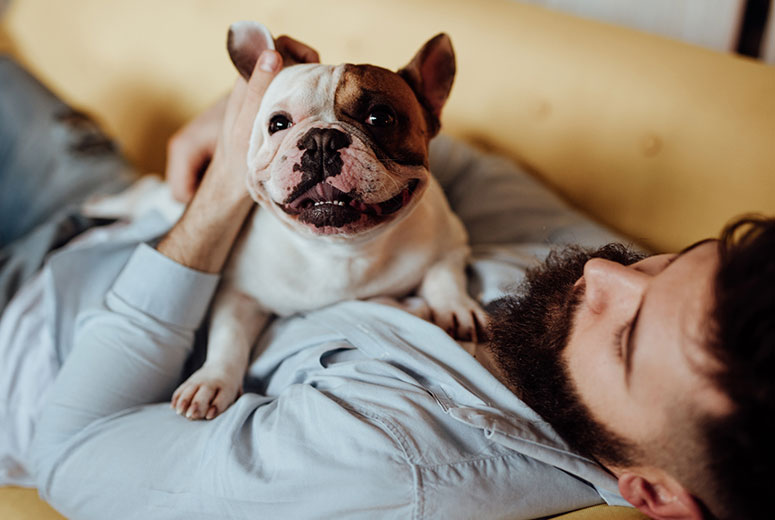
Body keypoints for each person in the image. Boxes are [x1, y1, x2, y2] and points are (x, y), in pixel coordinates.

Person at [0, 39, 771, 520]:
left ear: (654, 494)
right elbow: (438, 155)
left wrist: (225, 190)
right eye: (663, 260)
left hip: (21, 331)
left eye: (625, 337)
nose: (602, 272)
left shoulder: (397, 459)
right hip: (107, 199)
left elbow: (73, 454)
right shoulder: (616, 284)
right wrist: (258, 115)